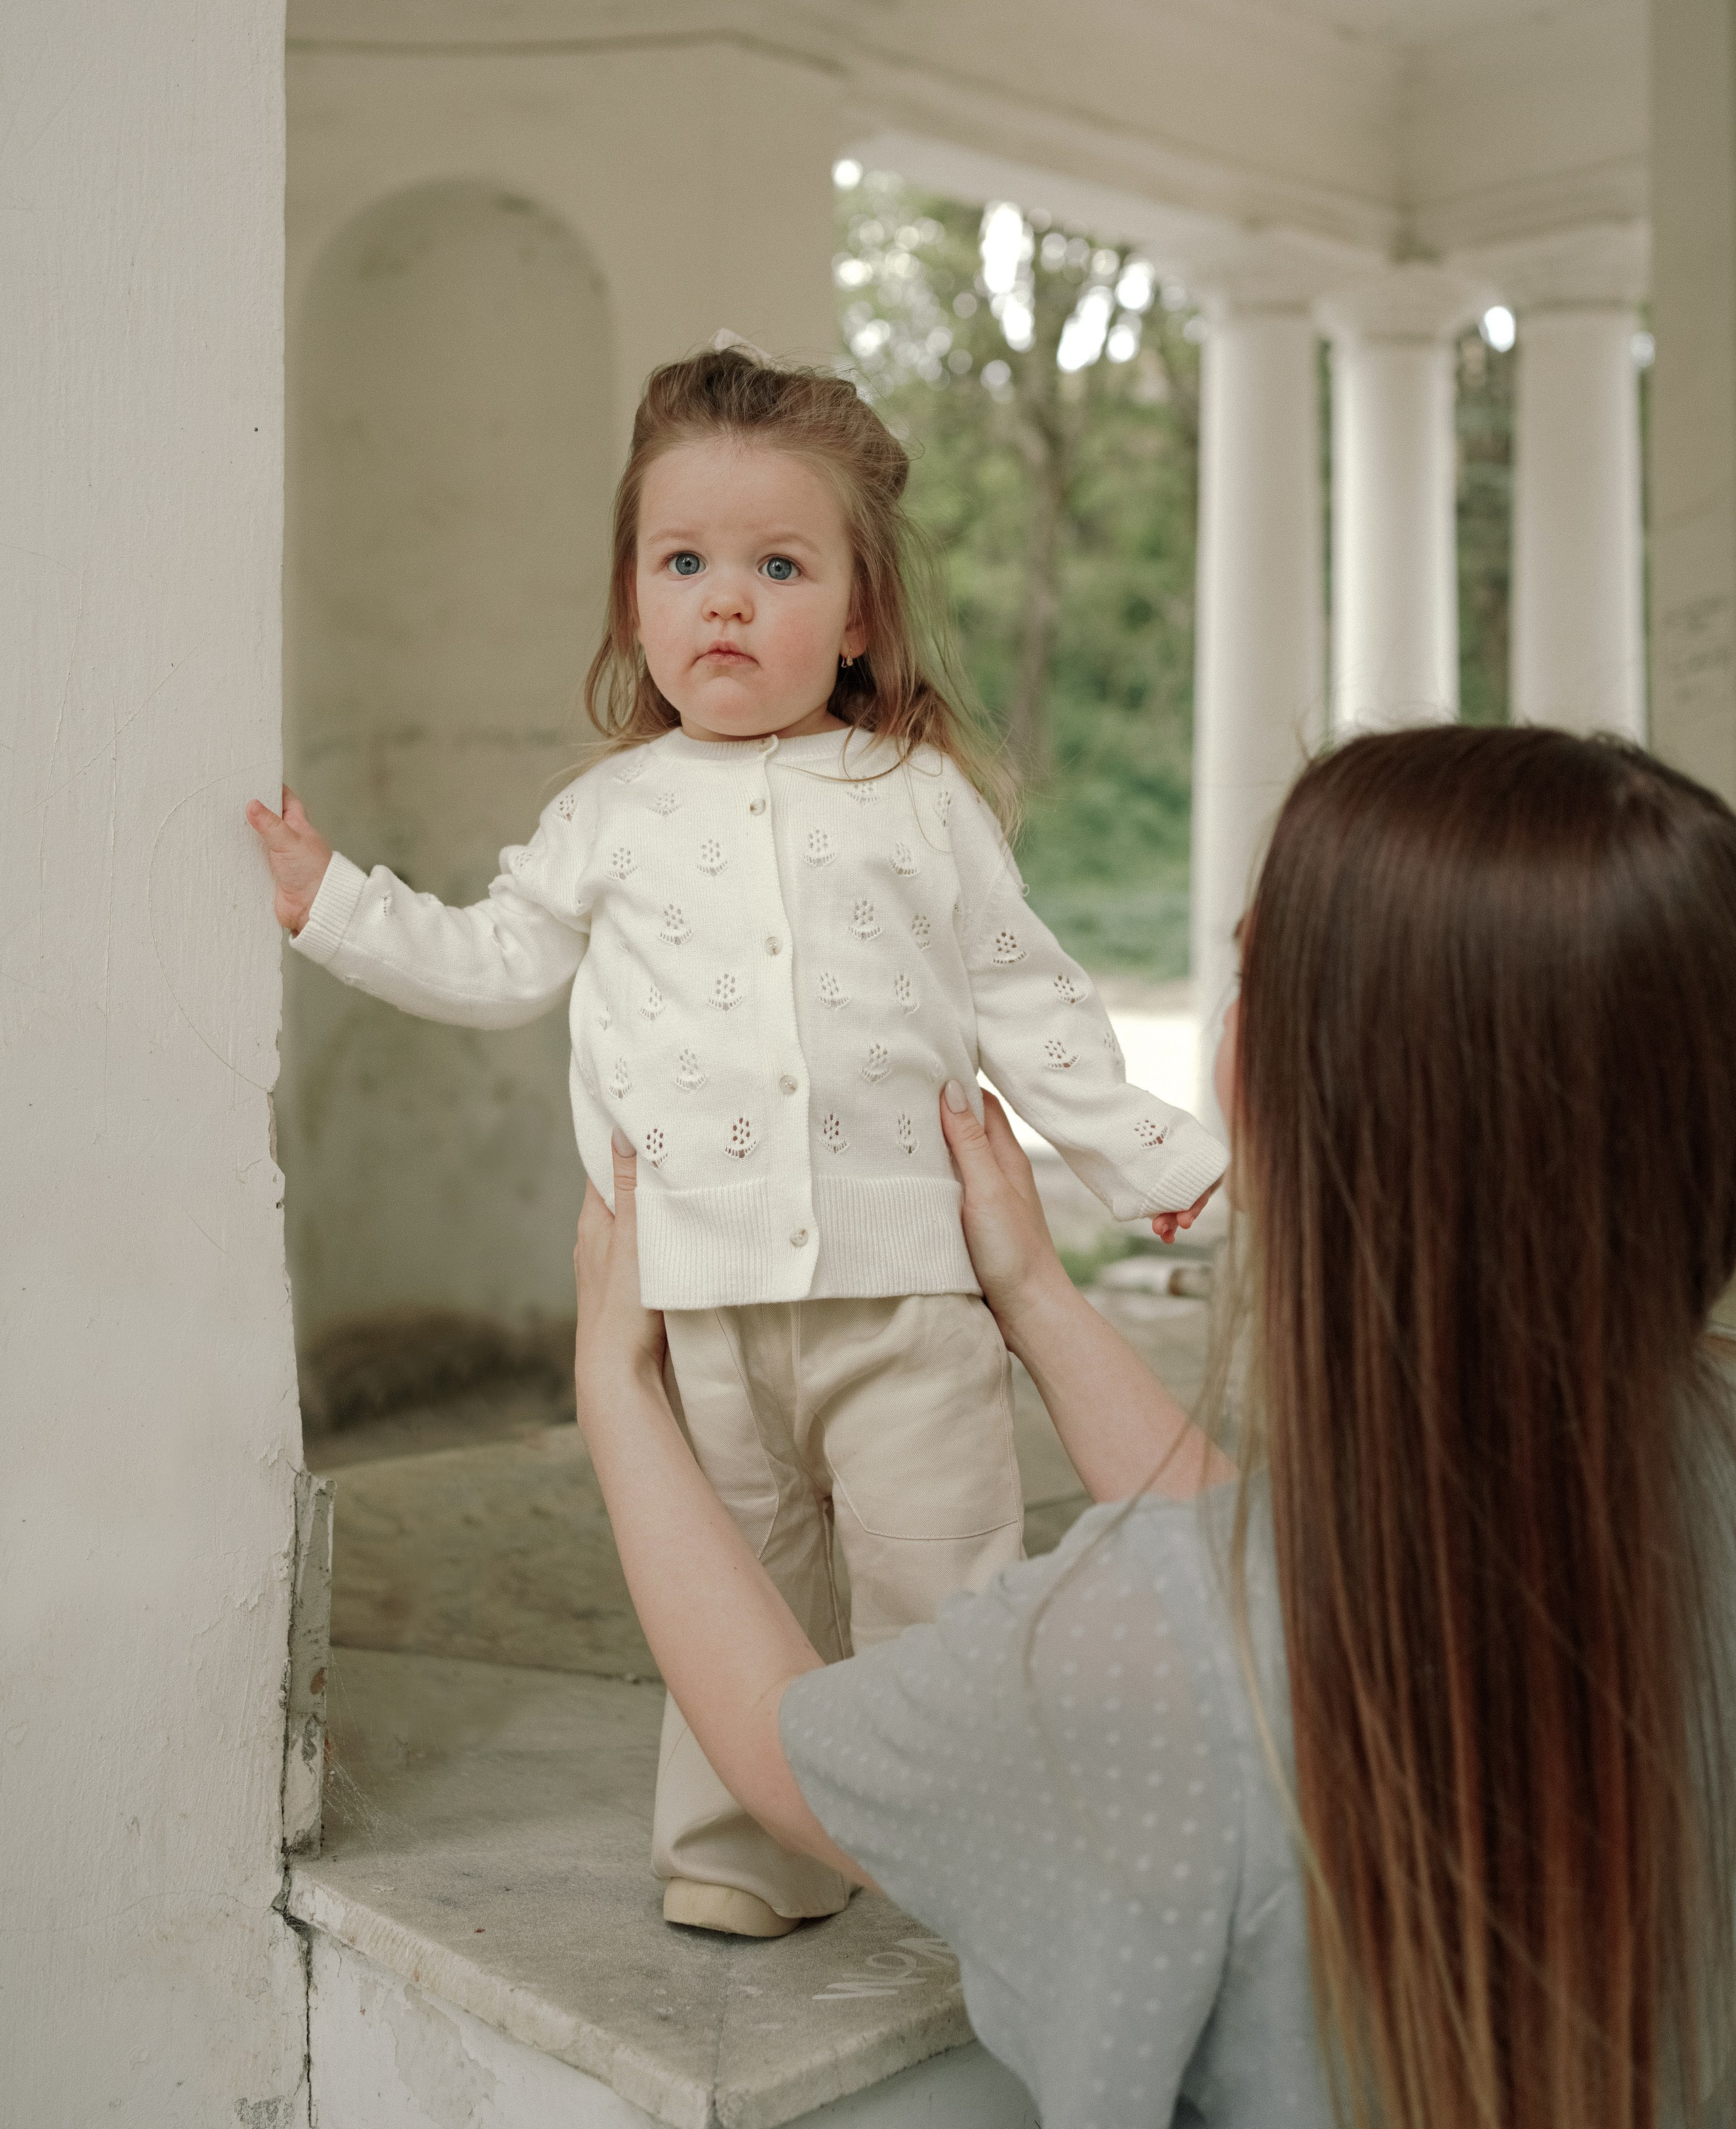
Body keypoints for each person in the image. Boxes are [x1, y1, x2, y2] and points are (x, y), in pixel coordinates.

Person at [572, 725, 1736, 2128]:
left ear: (1272, 1086)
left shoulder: (1131, 1649)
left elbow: (787, 1755)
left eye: (1248, 972)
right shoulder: (1699, 1446)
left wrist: (617, 1385)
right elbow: (1274, 1580)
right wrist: (1034, 1295)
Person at [248, 340, 1224, 1939]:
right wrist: (332, 904)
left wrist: (1146, 1159)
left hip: (904, 1289)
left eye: (777, 567)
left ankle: (974, 1849)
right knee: (732, 1576)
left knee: (941, 1576)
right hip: (691, 1290)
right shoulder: (610, 814)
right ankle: (746, 1848)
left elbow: (1022, 997)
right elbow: (497, 964)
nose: (725, 600)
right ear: (632, 601)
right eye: (683, 562)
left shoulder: (914, 795)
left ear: (855, 616)